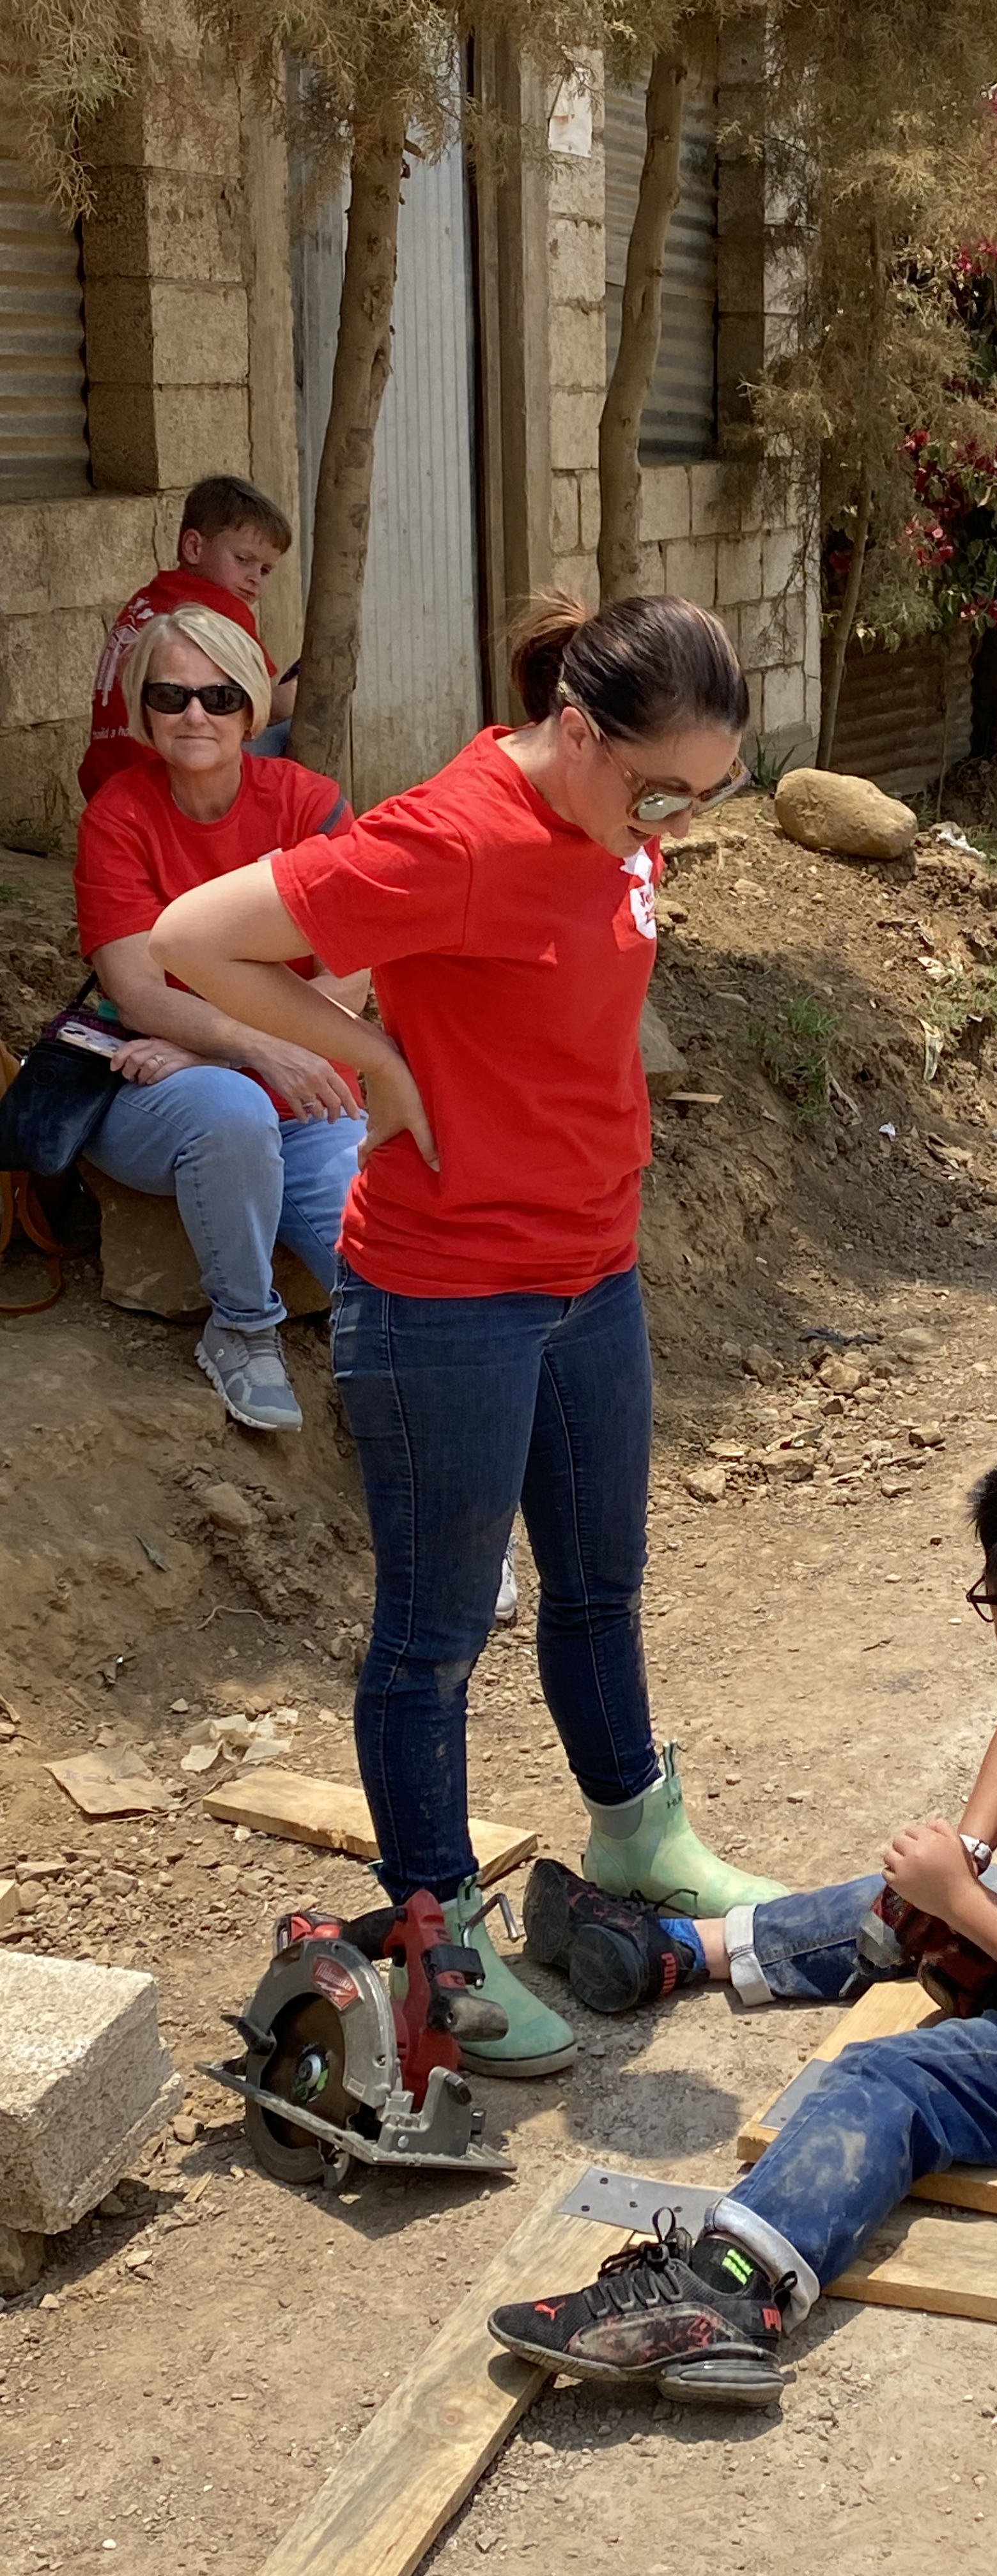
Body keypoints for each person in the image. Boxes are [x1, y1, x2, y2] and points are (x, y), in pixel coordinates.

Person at [148, 590, 783, 2078]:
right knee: (434, 1640)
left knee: (601, 1586)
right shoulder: (450, 840)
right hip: (447, 1294)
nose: (677, 824)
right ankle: (440, 1944)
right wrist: (367, 1056)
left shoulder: (613, 819)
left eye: (706, 791)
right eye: (663, 792)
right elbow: (192, 939)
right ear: (580, 732)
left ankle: (636, 1835)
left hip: (592, 1272)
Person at [486, 1446, 997, 2404]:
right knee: (912, 1888)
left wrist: (964, 1905)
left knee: (893, 2081)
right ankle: (676, 1950)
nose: (988, 1614)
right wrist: (965, 1860)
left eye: (991, 1602)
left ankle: (729, 2291)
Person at [76, 605, 363, 1432]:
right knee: (230, 1110)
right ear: (144, 708)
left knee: (384, 1269)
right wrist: (245, 1053)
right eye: (171, 695)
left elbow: (350, 980)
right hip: (159, 1095)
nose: (195, 714)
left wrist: (221, 1049)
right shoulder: (119, 817)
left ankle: (400, 1392)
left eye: (221, 694)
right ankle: (242, 1327)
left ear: (251, 707)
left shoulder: (310, 807)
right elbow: (137, 992)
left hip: (299, 1094)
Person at [82, 475, 298, 801]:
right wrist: (299, 692)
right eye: (243, 560)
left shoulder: (145, 601)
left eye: (265, 570)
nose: (254, 578)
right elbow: (264, 709)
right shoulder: (221, 609)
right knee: (295, 730)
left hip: (106, 780)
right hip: (169, 775)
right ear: (194, 548)